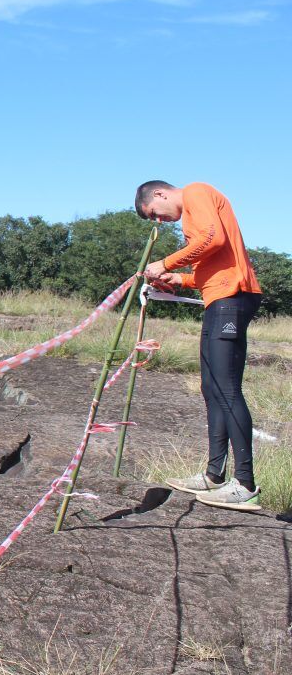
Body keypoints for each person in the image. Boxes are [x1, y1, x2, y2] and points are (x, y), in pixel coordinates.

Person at [135, 180, 263, 510]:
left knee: (227, 388)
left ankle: (245, 483)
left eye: (154, 214)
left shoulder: (196, 192)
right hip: (218, 297)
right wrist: (181, 279)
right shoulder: (193, 209)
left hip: (232, 297)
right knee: (211, 387)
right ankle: (214, 475)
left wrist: (166, 263)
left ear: (160, 194)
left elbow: (213, 238)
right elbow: (213, 262)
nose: (159, 221)